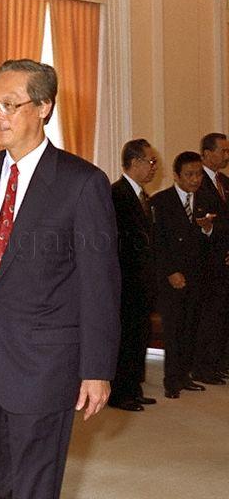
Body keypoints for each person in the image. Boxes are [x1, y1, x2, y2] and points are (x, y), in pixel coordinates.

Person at [0, 59, 121, 498]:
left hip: (47, 365)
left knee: (35, 486)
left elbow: (99, 286)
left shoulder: (82, 182)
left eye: (10, 104)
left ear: (43, 107)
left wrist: (96, 370)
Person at [151, 151, 218, 398]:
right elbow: (158, 243)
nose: (195, 179)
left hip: (198, 277)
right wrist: (170, 272)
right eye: (189, 174)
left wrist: (209, 230)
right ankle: (172, 381)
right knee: (174, 330)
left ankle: (185, 376)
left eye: (199, 174)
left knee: (192, 328)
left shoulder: (206, 200)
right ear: (177, 175)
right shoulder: (161, 202)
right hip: (172, 278)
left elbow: (212, 240)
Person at [109, 139, 158, 412]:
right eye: (150, 161)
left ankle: (133, 388)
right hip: (125, 283)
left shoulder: (143, 197)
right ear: (135, 162)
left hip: (141, 283)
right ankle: (120, 393)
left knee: (139, 337)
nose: (154, 167)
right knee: (125, 339)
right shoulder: (116, 194)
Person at [194, 132, 229, 383]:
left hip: (225, 260)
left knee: (223, 316)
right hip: (207, 262)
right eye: (223, 151)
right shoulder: (197, 183)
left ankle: (219, 363)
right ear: (206, 153)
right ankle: (204, 367)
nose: (226, 155)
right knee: (208, 316)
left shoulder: (224, 181)